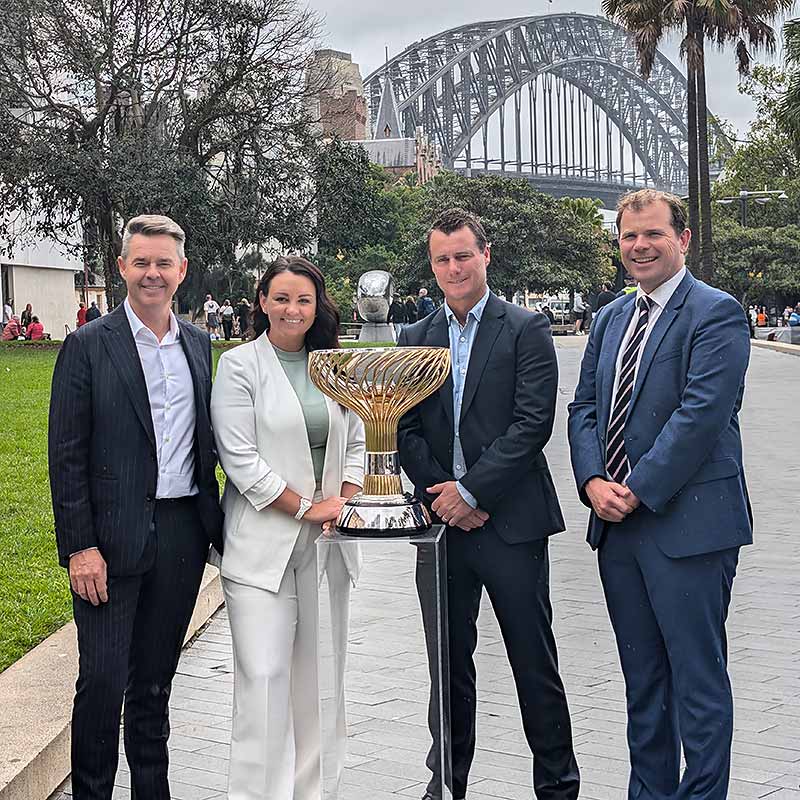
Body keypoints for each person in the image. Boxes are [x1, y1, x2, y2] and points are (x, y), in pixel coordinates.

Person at [568, 189, 752, 800]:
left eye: (653, 234)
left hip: (687, 525)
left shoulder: (716, 312)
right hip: (617, 528)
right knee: (643, 683)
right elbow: (585, 407)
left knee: (696, 683)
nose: (640, 246)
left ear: (683, 239)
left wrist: (636, 490)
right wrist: (594, 481)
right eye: (628, 237)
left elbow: (702, 415)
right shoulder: (611, 317)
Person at [397, 208, 580, 800]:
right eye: (442, 258)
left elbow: (532, 424)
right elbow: (401, 430)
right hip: (441, 527)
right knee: (447, 669)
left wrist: (471, 493)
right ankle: (446, 783)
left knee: (534, 662)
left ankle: (557, 784)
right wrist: (443, 498)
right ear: (433, 266)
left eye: (463, 255)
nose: (453, 267)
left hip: (510, 524)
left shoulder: (525, 328)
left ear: (485, 256)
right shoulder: (414, 338)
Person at [48, 214, 223, 800]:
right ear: (122, 267)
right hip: (108, 540)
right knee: (101, 683)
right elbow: (66, 455)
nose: (153, 273)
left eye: (163, 263)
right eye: (141, 262)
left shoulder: (199, 345)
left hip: (180, 535)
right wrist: (79, 546)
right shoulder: (87, 346)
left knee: (153, 687)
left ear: (182, 270)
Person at [210, 256, 365, 800]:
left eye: (303, 299)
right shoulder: (239, 366)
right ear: (262, 302)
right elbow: (240, 459)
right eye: (280, 298)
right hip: (262, 548)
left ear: (317, 305)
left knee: (321, 687)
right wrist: (306, 507)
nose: (292, 309)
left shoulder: (335, 365)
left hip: (327, 547)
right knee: (264, 681)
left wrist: (343, 501)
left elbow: (360, 441)